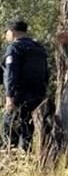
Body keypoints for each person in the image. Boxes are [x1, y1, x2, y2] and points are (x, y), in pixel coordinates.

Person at [2, 19, 49, 150]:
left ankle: (11, 160)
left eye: (7, 32)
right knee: (27, 128)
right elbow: (46, 72)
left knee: (9, 127)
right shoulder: (38, 48)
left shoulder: (15, 48)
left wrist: (9, 96)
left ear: (12, 32)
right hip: (37, 95)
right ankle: (25, 156)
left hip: (19, 96)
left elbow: (11, 74)